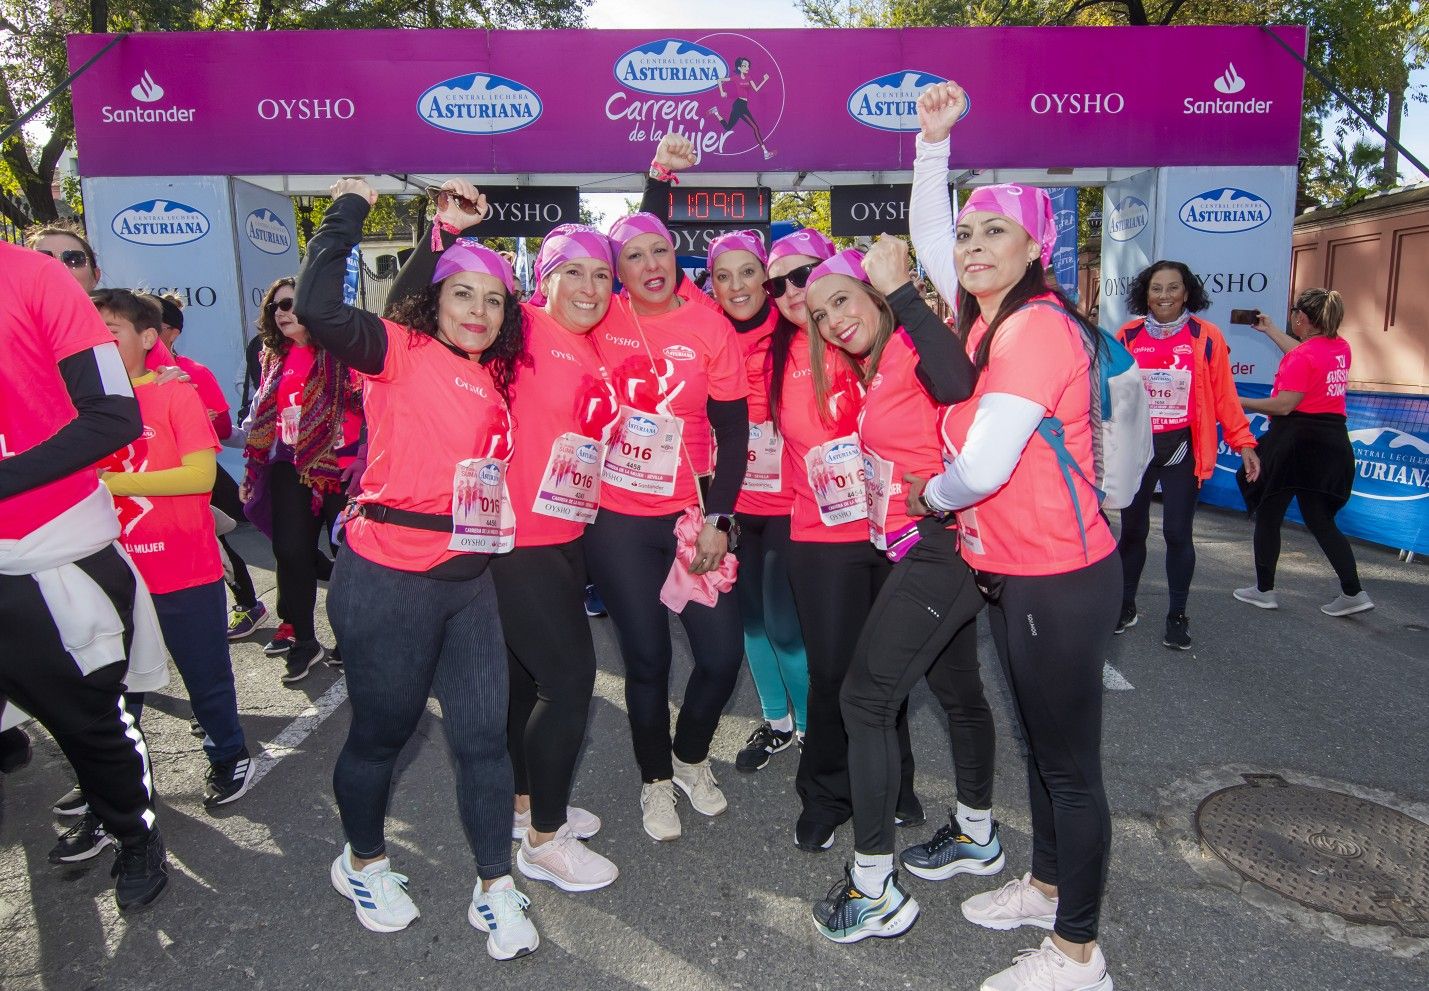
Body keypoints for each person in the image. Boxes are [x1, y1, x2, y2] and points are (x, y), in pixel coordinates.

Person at [909, 80, 1120, 991]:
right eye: (966, 234)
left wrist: (927, 491)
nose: (968, 246)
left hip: (1055, 580)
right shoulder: (986, 321)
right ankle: (1041, 885)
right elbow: (923, 239)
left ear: (1035, 248)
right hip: (1013, 573)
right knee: (1042, 748)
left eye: (994, 230)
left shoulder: (1032, 327)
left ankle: (1078, 952)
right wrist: (930, 151)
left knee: (1070, 766)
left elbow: (983, 468)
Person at [296, 178, 540, 958]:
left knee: (483, 741)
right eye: (459, 295)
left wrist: (447, 232)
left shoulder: (494, 376)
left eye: (493, 299)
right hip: (387, 577)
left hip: (469, 581)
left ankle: (495, 885)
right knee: (381, 735)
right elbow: (321, 308)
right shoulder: (399, 351)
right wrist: (352, 212)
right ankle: (362, 860)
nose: (476, 309)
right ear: (432, 305)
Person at [386, 182, 620, 893]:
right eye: (571, 271)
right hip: (517, 540)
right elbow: (411, 315)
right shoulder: (514, 329)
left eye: (600, 274)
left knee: (524, 682)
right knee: (570, 680)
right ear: (540, 279)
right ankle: (545, 841)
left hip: (560, 533)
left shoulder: (585, 344)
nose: (588, 286)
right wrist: (442, 233)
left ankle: (525, 807)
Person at [800, 245, 995, 944]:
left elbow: (955, 380)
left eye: (843, 301)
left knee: (865, 699)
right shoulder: (879, 366)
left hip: (943, 551)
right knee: (959, 692)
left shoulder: (913, 345)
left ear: (876, 296)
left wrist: (904, 294)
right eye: (820, 315)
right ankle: (976, 833)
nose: (833, 321)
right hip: (923, 549)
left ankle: (874, 887)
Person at [0, 242, 169, 912]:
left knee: (91, 728)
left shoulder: (32, 275)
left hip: (49, 554)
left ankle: (134, 835)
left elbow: (114, 415)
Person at [581, 209, 749, 842]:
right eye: (634, 257)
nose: (651, 266)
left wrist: (719, 519)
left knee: (721, 654)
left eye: (661, 252)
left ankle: (690, 755)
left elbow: (733, 431)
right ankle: (654, 780)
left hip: (690, 517)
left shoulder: (708, 324)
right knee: (646, 659)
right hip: (617, 519)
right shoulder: (602, 317)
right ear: (616, 271)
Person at [761, 229, 923, 853]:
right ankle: (826, 793)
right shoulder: (775, 355)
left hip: (899, 531)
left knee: (890, 668)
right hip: (823, 537)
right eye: (783, 285)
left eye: (810, 275)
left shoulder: (883, 341)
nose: (798, 293)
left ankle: (892, 781)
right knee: (834, 672)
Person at [84, 290, 254, 816]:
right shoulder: (79, 406)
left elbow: (200, 477)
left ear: (148, 338)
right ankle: (123, 788)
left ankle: (228, 754)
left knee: (204, 675)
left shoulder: (173, 394)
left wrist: (109, 483)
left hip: (182, 566)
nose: (97, 342)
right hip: (109, 572)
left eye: (110, 330)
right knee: (118, 690)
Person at [704, 229, 810, 773]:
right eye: (723, 276)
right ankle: (777, 724)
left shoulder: (795, 328)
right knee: (750, 624)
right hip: (733, 505)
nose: (737, 285)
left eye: (748, 272)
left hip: (791, 504)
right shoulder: (707, 334)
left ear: (765, 281)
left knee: (785, 626)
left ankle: (813, 728)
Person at [1114, 260, 1260, 650]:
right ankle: (1125, 606)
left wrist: (1244, 442)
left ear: (1187, 292)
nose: (1164, 296)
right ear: (1145, 292)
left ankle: (1177, 614)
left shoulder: (1205, 335)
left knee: (1178, 533)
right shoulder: (1126, 336)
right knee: (1132, 532)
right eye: (1156, 288)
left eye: (1173, 288)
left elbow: (1225, 396)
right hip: (1138, 449)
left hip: (1182, 447)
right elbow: (1109, 393)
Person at [241, 277, 362, 683]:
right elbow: (262, 415)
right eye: (275, 306)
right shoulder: (273, 357)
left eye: (291, 303)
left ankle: (351, 636)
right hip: (290, 466)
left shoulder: (345, 351)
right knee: (290, 552)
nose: (282, 311)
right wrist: (252, 466)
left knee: (348, 557)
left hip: (338, 467)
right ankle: (304, 640)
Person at [1234, 290, 1372, 617]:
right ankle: (1353, 591)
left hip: (1295, 440)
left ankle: (1264, 590)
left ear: (1303, 318)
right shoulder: (1340, 347)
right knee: (1320, 519)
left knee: (1270, 511)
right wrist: (1269, 330)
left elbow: (1285, 405)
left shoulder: (1302, 357)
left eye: (1295, 312)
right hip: (1331, 440)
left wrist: (1238, 400)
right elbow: (1307, 355)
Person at [145, 293, 268, 640]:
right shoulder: (114, 375)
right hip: (140, 479)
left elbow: (225, 430)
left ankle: (247, 603)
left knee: (212, 539)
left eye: (152, 325)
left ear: (169, 332)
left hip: (191, 475)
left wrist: (197, 418)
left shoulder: (192, 373)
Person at [708, 56, 776, 160]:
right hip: (739, 105)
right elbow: (719, 80)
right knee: (755, 127)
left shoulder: (749, 78)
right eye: (744, 66)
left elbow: (756, 89)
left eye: (748, 66)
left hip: (741, 105)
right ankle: (765, 152)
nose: (747, 67)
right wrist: (721, 91)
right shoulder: (736, 78)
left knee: (728, 127)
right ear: (739, 68)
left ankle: (716, 112)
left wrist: (764, 80)